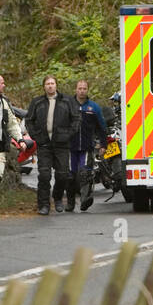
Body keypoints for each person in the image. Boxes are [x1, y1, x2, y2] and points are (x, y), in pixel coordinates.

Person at [25, 75, 80, 215]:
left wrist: (68, 134)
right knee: (44, 175)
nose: (50, 86)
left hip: (62, 144)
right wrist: (36, 136)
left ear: (56, 85)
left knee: (62, 175)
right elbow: (29, 120)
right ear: (44, 86)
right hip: (44, 144)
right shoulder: (37, 102)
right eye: (47, 83)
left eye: (52, 83)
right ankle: (43, 205)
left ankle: (57, 198)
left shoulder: (67, 101)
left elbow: (76, 119)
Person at [68, 79, 105, 212]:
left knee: (85, 174)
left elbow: (102, 127)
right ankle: (70, 202)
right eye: (80, 88)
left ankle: (85, 200)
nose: (82, 90)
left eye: (84, 88)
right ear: (76, 90)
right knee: (70, 175)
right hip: (70, 147)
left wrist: (103, 144)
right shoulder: (69, 105)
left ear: (87, 90)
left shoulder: (94, 107)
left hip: (86, 146)